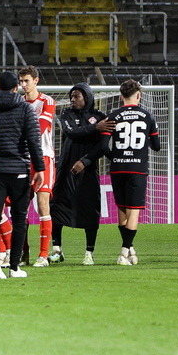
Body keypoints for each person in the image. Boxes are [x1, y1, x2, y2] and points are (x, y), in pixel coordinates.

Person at [0, 71, 44, 279]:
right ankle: (14, 267)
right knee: (19, 218)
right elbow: (33, 142)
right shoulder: (25, 109)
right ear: (16, 88)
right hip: (19, 171)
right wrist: (39, 169)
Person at [50, 83, 113, 265]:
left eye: (77, 96)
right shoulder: (67, 114)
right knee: (57, 206)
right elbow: (72, 132)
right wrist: (95, 128)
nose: (72, 99)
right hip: (65, 168)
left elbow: (102, 147)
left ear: (87, 97)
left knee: (90, 210)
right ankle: (57, 250)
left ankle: (89, 253)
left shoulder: (100, 117)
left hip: (89, 170)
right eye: (71, 96)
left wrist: (86, 161)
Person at [101, 79, 160, 265]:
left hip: (118, 169)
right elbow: (157, 146)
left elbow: (103, 147)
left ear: (121, 96)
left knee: (122, 210)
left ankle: (131, 249)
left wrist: (116, 157)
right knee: (133, 213)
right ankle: (124, 252)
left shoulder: (112, 116)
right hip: (137, 169)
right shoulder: (148, 116)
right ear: (139, 95)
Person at [17, 66, 57, 267]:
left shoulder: (46, 101)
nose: (23, 85)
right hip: (22, 159)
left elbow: (39, 129)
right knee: (21, 209)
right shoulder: (17, 102)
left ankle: (43, 255)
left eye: (26, 81)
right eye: (21, 81)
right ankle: (23, 253)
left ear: (36, 80)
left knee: (43, 206)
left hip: (43, 159)